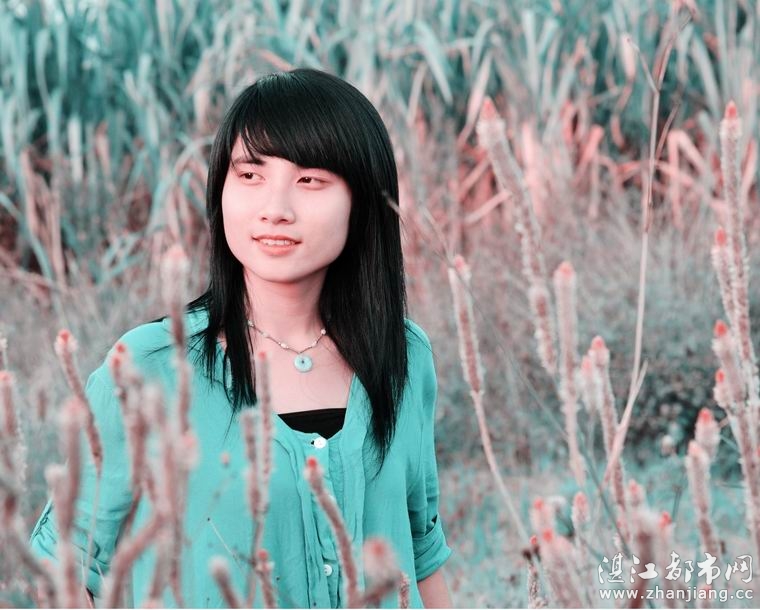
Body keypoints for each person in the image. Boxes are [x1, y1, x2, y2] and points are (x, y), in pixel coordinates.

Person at [28, 68, 453, 608]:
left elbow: (421, 552)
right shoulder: (149, 368)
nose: (275, 208)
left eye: (309, 180)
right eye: (250, 174)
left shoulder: (404, 356)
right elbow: (61, 567)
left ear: (362, 199)